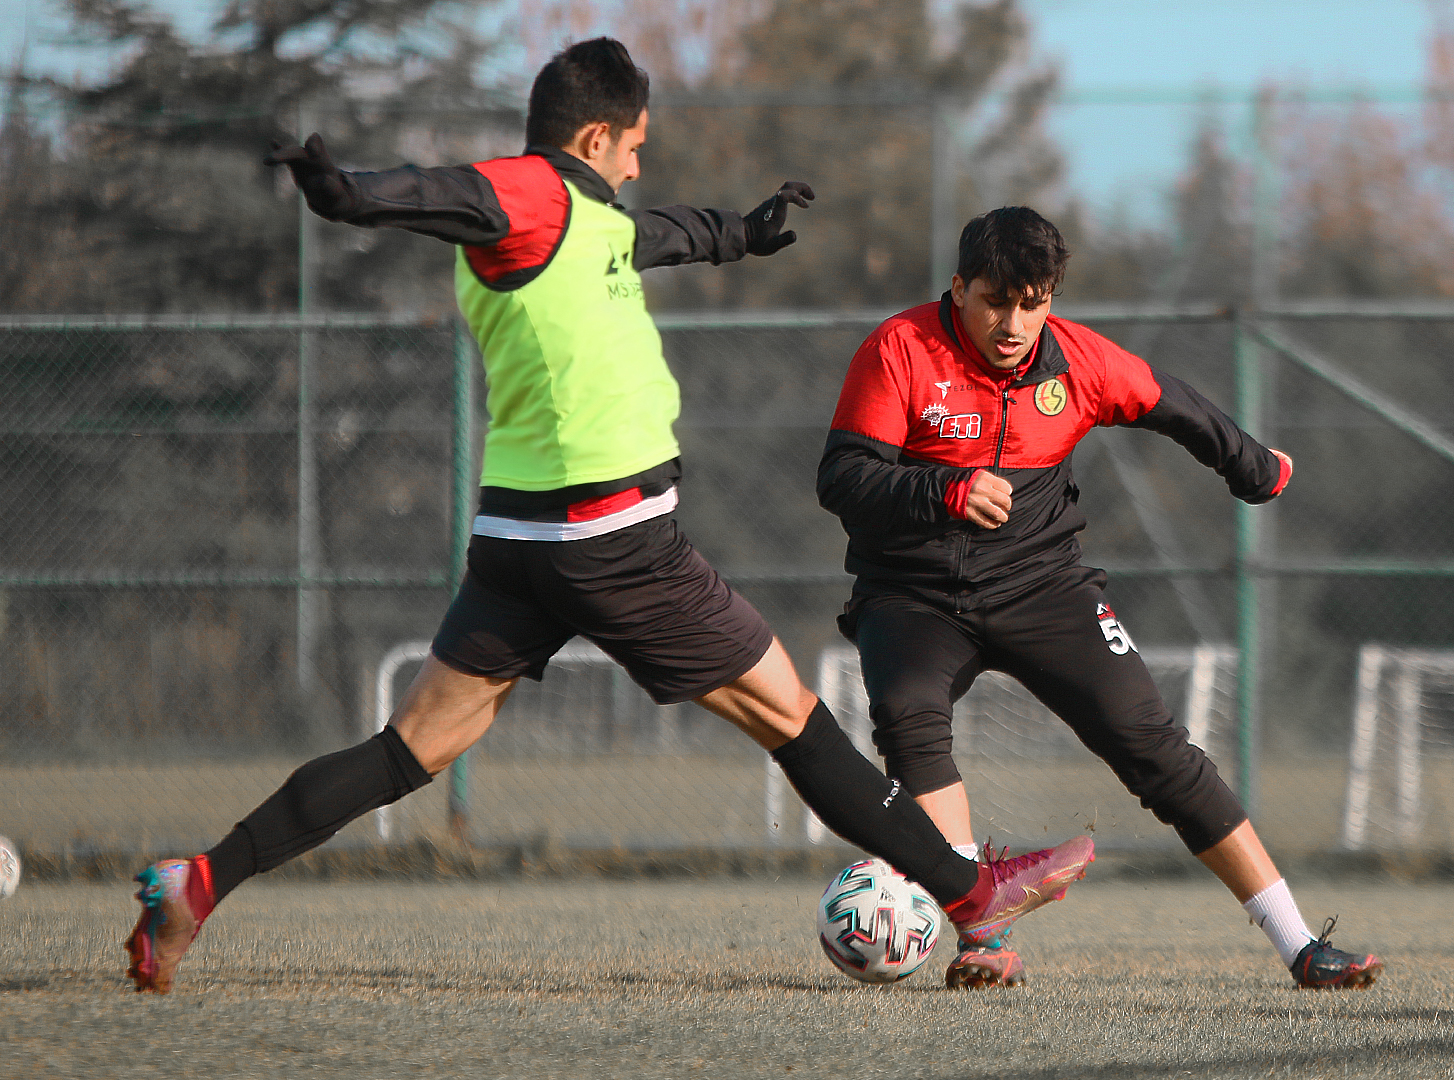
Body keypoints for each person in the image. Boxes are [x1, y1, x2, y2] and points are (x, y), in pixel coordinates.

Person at [125, 39, 1089, 995]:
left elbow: (656, 231)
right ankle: (971, 894)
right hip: (616, 540)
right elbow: (448, 192)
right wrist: (348, 194)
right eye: (632, 144)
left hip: (518, 543)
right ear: (594, 136)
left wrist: (738, 234)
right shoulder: (529, 195)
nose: (638, 162)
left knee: (406, 750)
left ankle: (198, 883)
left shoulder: (584, 221)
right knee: (793, 718)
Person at [817, 206, 1384, 990]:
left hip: (1042, 586)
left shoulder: (1077, 361)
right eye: (994, 301)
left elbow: (1172, 402)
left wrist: (1253, 467)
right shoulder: (901, 348)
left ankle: (1300, 947)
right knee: (910, 720)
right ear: (957, 288)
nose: (1013, 322)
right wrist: (945, 490)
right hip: (910, 596)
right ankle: (980, 932)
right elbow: (843, 478)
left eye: (1033, 301)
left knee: (1157, 752)